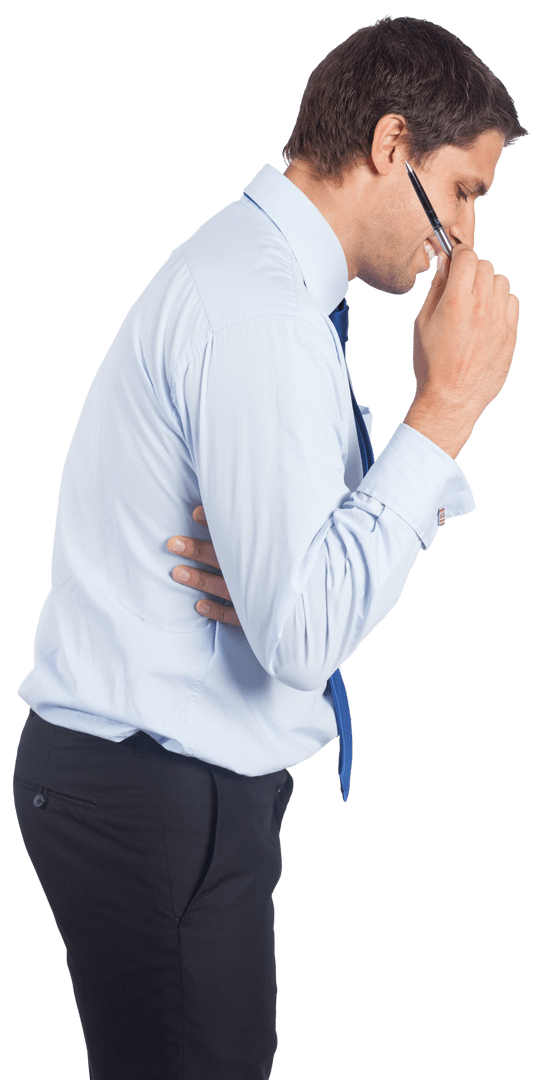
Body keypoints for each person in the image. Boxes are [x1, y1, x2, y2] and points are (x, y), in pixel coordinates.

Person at [13, 15, 527, 1080]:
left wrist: (309, 538)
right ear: (390, 145)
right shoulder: (263, 316)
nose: (464, 241)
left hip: (163, 786)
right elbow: (301, 633)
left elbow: (297, 579)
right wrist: (443, 413)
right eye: (464, 191)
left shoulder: (275, 288)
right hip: (154, 790)